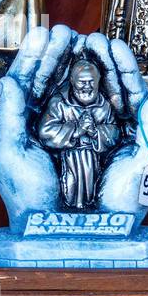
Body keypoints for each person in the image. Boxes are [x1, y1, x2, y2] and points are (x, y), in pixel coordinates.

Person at [37, 58, 120, 208]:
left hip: (93, 159)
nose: (87, 87)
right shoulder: (59, 103)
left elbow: (114, 132)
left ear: (98, 80)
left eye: (91, 81)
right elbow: (45, 132)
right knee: (70, 188)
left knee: (91, 191)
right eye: (82, 82)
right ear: (72, 80)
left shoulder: (105, 105)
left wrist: (96, 132)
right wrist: (76, 130)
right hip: (68, 158)